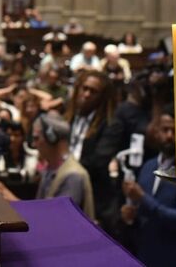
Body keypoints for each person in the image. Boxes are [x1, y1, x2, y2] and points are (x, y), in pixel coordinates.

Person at [120, 109, 176, 267]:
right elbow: (145, 213)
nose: (169, 136)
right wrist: (131, 214)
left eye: (174, 131)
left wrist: (143, 199)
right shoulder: (148, 166)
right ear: (155, 132)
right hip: (147, 256)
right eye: (165, 130)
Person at [0, 112, 94, 218]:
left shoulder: (72, 176)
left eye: (37, 138)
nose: (34, 144)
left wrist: (15, 202)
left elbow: (56, 221)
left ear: (52, 138)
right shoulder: (51, 168)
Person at [66, 69, 123, 230]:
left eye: (93, 91)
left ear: (102, 98)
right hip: (66, 188)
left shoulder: (112, 125)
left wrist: (64, 169)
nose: (86, 94)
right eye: (84, 88)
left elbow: (97, 161)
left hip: (94, 196)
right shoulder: (69, 116)